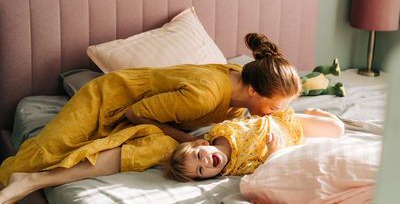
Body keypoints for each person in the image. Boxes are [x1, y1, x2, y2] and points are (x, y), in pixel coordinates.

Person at [0, 33, 301, 203]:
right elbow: (135, 112)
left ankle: (33, 182)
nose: (275, 114)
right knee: (46, 152)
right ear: (252, 89)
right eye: (274, 108)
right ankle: (24, 177)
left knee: (159, 149)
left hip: (152, 115)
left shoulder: (241, 85)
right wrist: (191, 139)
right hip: (112, 99)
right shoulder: (205, 95)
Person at [164, 108, 344, 181]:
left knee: (338, 128)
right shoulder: (234, 169)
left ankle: (314, 112)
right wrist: (274, 152)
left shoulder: (219, 132)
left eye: (198, 156)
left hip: (286, 124)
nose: (205, 163)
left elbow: (251, 117)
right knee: (335, 135)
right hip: (292, 144)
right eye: (201, 171)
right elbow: (264, 169)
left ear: (202, 143)